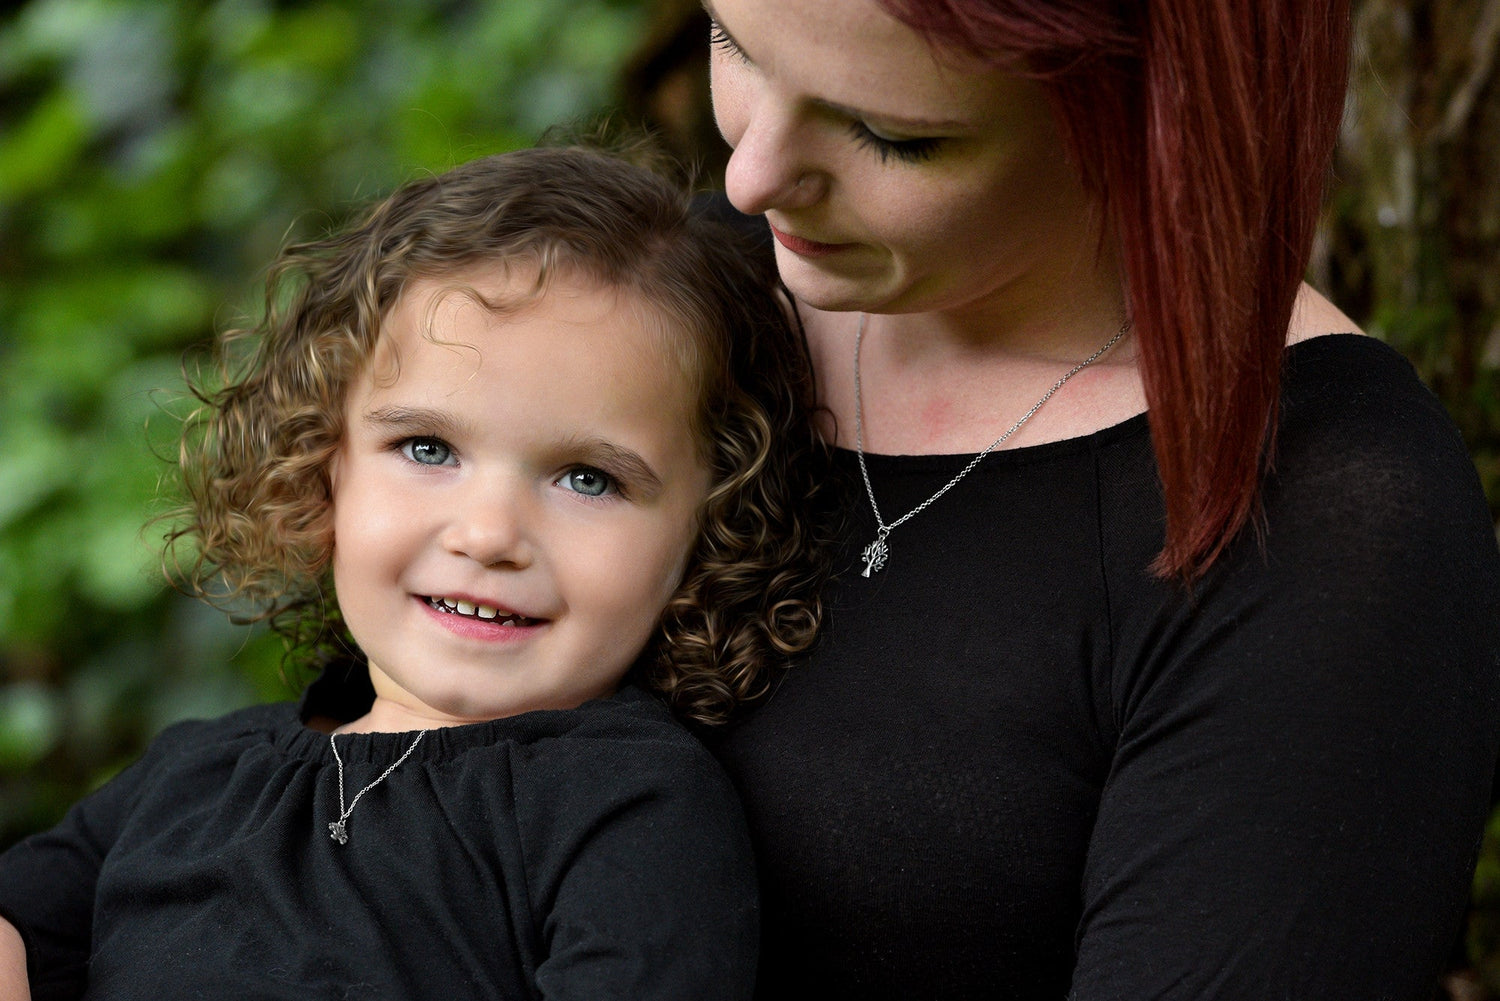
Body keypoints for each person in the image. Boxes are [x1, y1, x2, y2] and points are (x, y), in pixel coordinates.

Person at [699, 1, 1500, 998]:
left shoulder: (1326, 525)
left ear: (1155, 105)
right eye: (733, 41)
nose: (750, 177)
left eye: (891, 135)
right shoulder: (678, 298)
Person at [0, 143, 838, 1001]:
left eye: (588, 478)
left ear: (711, 525)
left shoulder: (628, 811)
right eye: (428, 448)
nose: (488, 535)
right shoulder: (191, 776)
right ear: (322, 461)